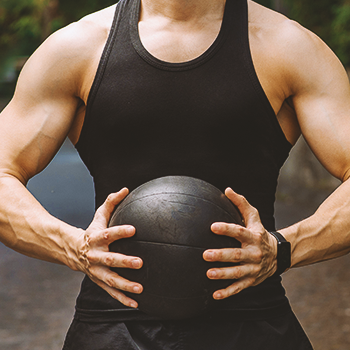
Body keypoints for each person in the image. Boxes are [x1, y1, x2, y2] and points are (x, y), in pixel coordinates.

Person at [1, 0, 350, 348]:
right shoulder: (76, 48)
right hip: (113, 327)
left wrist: (282, 249)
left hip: (252, 325)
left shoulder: (289, 47)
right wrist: (73, 246)